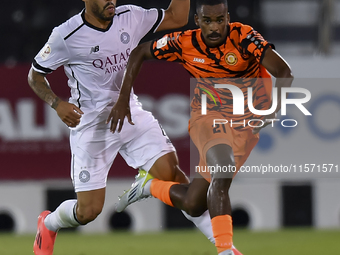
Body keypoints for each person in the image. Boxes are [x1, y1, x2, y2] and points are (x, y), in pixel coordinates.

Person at [25, 0, 212, 254]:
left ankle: (227, 248)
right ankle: (48, 223)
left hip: (129, 112)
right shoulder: (66, 35)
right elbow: (35, 75)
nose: (111, 1)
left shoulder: (130, 16)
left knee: (174, 176)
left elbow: (177, 17)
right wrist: (56, 103)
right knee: (88, 211)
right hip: (91, 125)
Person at [109, 0, 294, 254]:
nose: (215, 27)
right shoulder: (184, 42)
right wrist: (123, 99)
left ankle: (148, 186)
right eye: (208, 21)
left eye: (220, 20)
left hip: (244, 127)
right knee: (223, 169)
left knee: (194, 203)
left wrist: (273, 108)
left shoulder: (244, 36)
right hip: (208, 116)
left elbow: (284, 72)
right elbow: (140, 51)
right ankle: (226, 250)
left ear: (228, 17)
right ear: (198, 21)